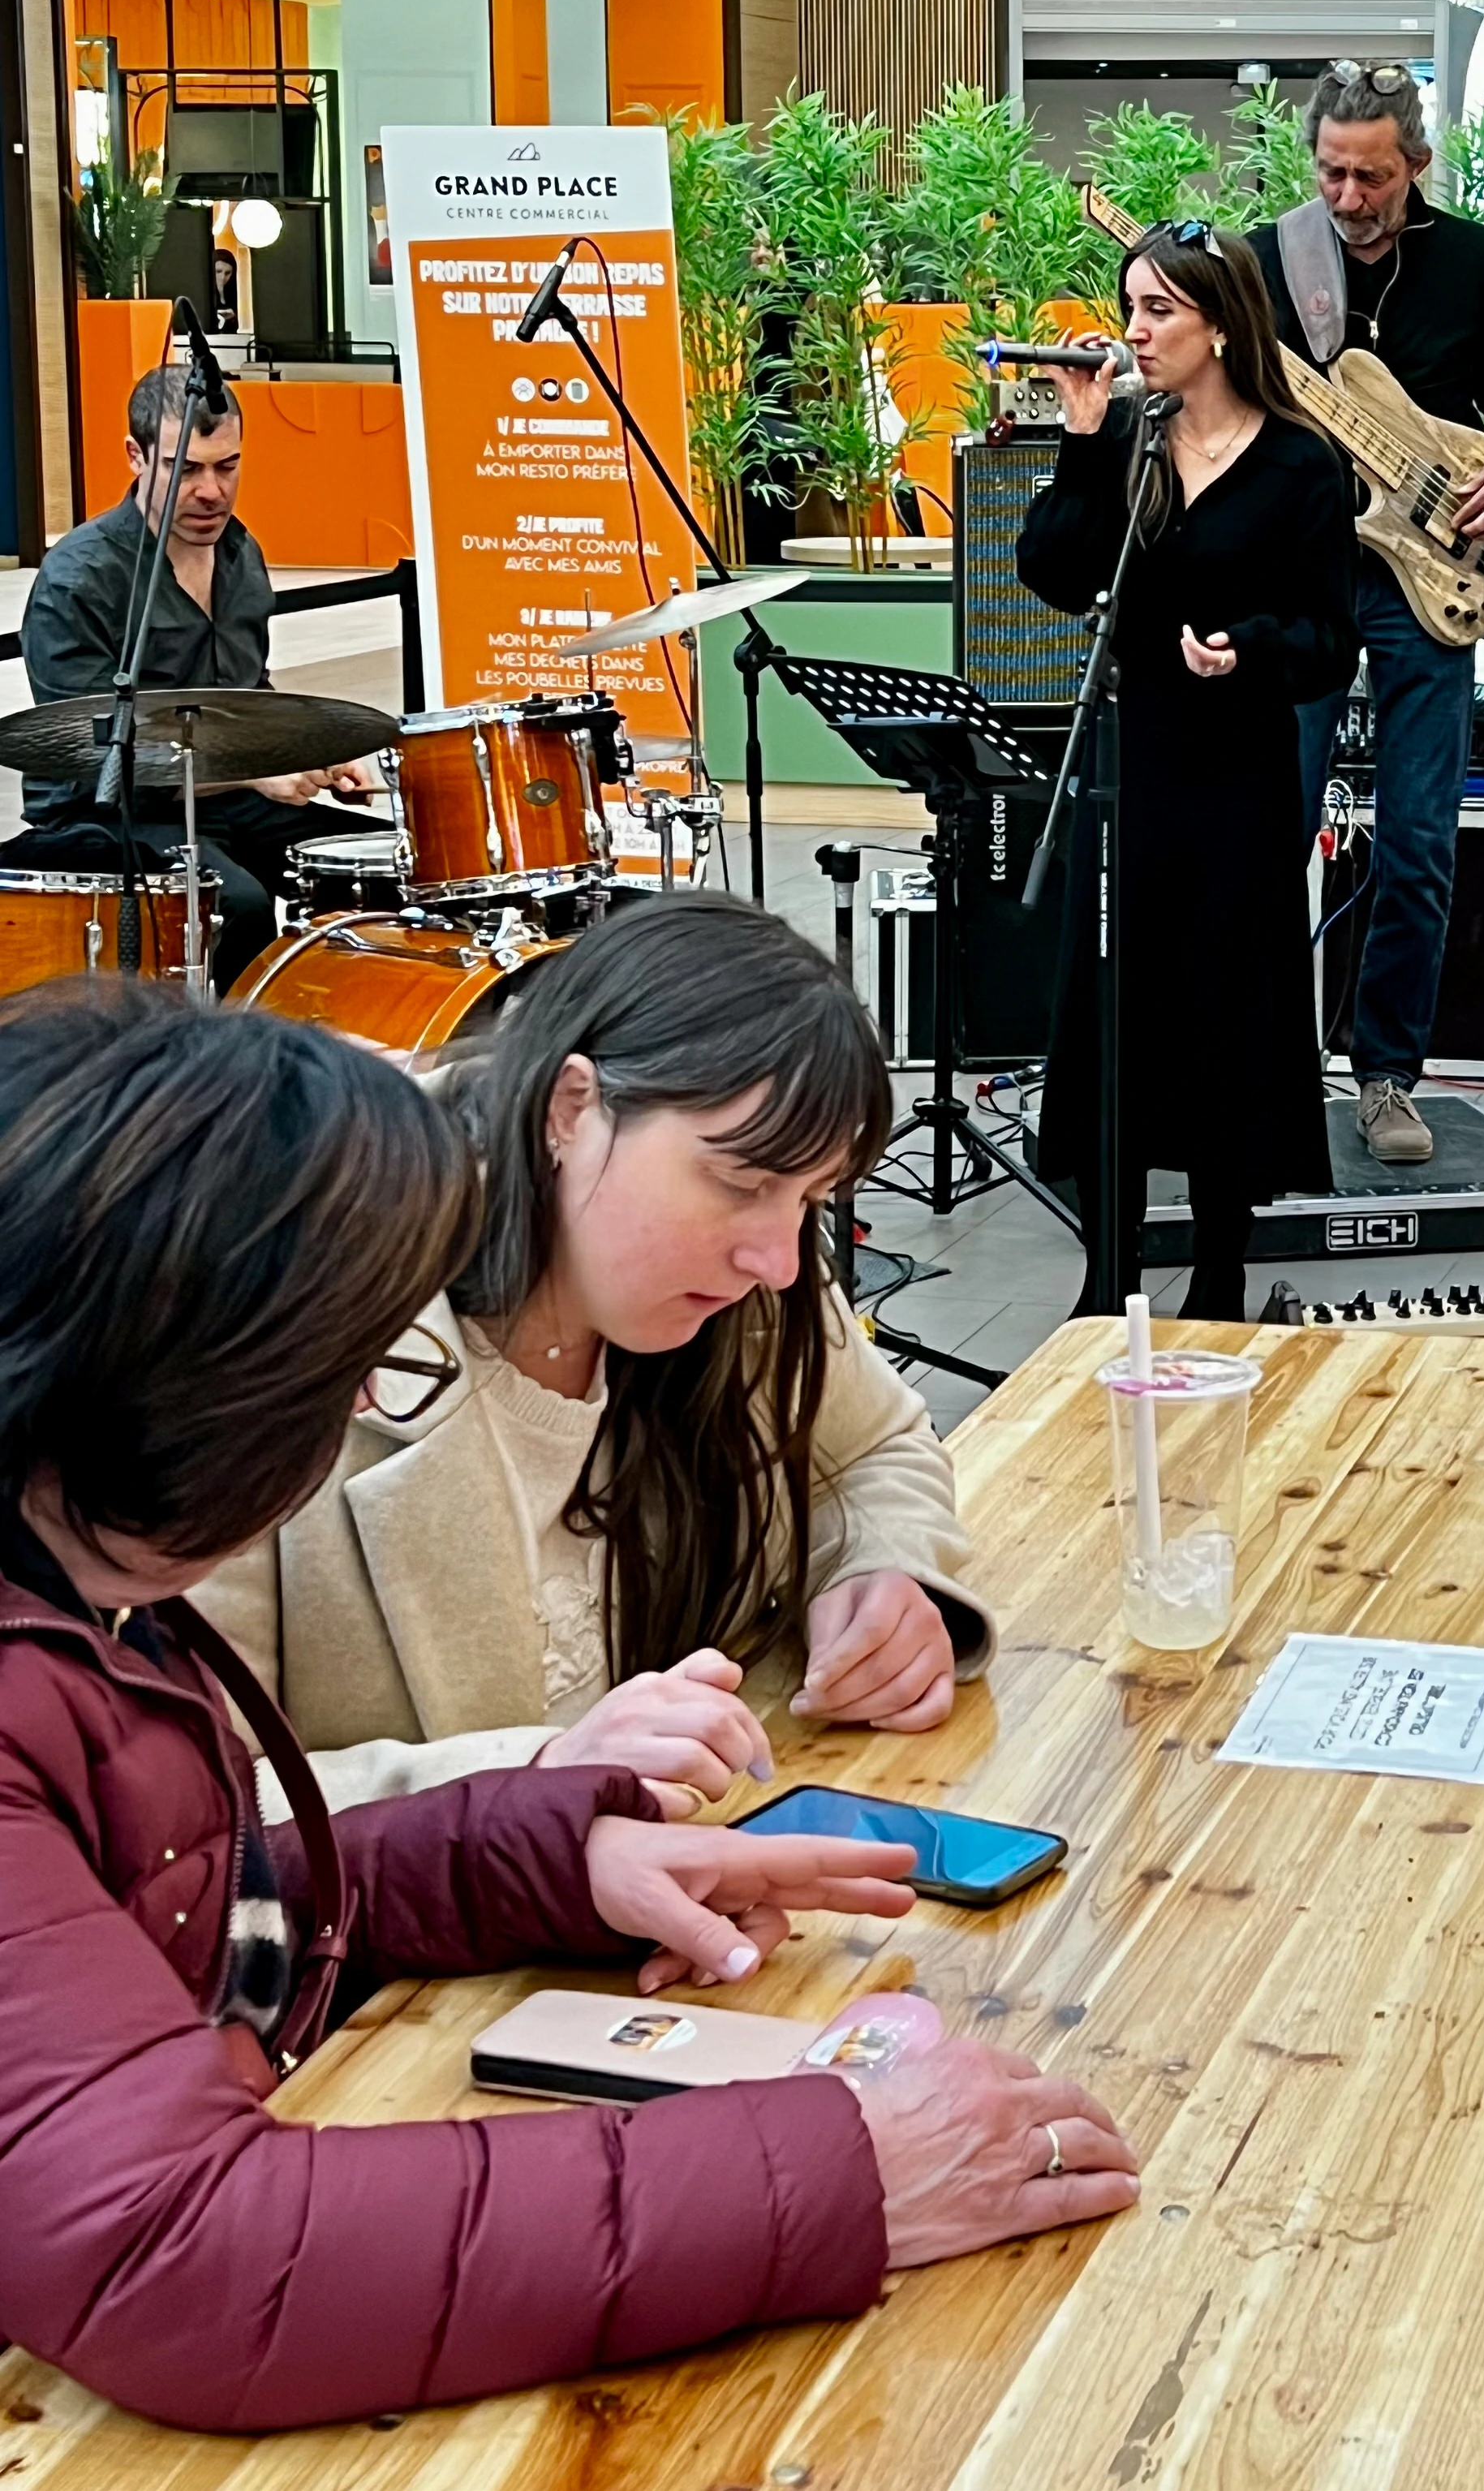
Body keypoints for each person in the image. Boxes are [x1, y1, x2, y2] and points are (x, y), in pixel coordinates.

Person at [0, 981, 1136, 2433]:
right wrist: (843, 2169)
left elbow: (148, 1901)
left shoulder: (74, 1575)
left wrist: (549, 1853)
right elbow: (189, 2262)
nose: (358, 1400)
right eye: (325, 1361)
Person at [196, 893, 993, 1810]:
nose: (777, 1262)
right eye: (741, 1184)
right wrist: (531, 1787)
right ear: (572, 1107)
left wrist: (881, 1570)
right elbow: (183, 1808)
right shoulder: (280, 1333)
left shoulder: (750, 1279)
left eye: (811, 1199)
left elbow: (879, 1446)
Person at [1019, 221, 1358, 1320]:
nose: (1137, 331)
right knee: (1113, 1012)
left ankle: (1220, 1270)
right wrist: (1080, 437)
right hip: (1129, 770)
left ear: (1220, 324)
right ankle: (1105, 1265)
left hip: (1236, 780)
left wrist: (1246, 648)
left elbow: (1329, 641)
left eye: (1161, 310)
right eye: (1132, 308)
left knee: (1225, 1016)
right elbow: (1058, 578)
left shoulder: (1302, 464)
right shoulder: (1125, 442)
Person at [1249, 61, 1484, 1164]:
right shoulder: (1260, 261)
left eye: (1371, 175)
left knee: (1421, 843)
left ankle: (1387, 1077)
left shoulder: (1470, 258)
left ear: (1417, 165)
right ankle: (1261, 1065)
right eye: (1330, 173)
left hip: (1430, 579)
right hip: (1300, 576)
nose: (1347, 198)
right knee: (1266, 835)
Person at [14, 363, 381, 987]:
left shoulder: (241, 553)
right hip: (107, 817)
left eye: (226, 466)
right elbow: (93, 755)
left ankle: (360, 1035)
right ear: (136, 456)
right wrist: (258, 772)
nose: (211, 491)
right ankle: (230, 1068)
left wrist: (315, 752)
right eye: (184, 469)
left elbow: (249, 693)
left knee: (379, 869)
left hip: (230, 798)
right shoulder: (80, 578)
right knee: (236, 904)